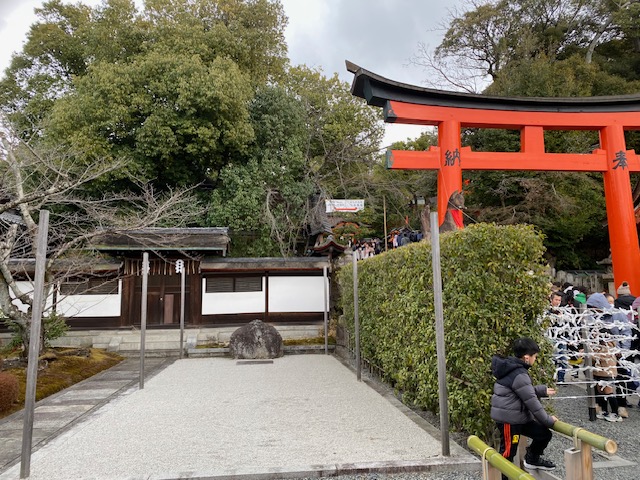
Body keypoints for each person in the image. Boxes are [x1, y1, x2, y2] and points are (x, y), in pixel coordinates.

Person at [491, 337, 558, 472]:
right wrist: (548, 420)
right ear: (527, 357)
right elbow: (532, 403)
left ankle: (532, 459)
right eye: (535, 356)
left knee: (544, 434)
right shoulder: (519, 373)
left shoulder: (512, 368)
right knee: (508, 453)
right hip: (509, 420)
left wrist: (540, 390)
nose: (535, 359)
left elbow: (522, 392)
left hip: (518, 417)